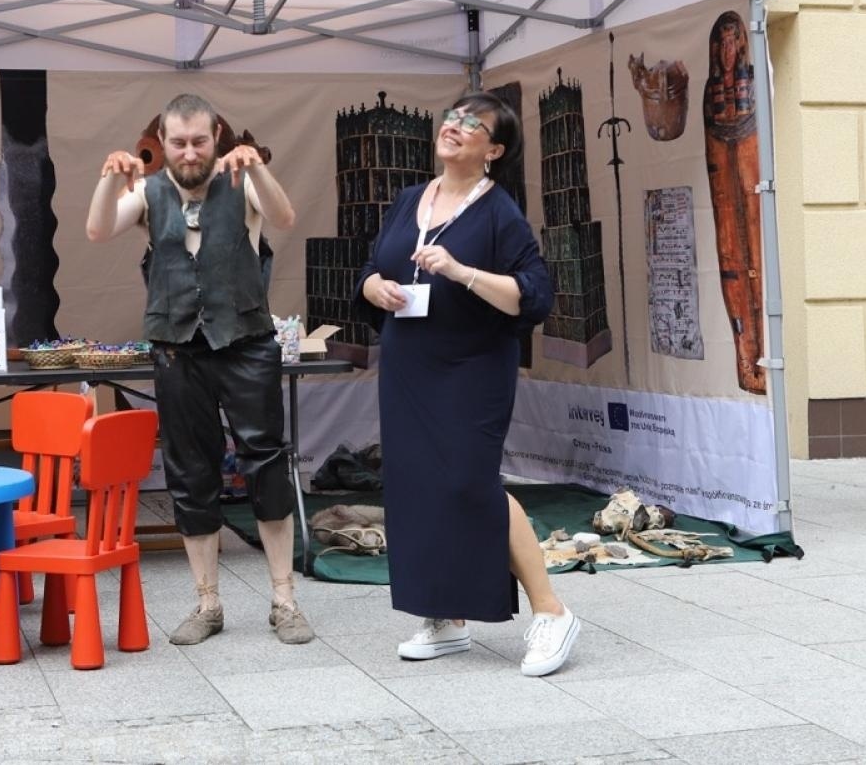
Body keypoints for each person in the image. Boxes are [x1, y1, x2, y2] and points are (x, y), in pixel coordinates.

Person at [355, 90, 578, 677]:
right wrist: (372, 286)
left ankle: (552, 612)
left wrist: (461, 271)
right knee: (416, 485)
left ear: (493, 150)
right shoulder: (411, 199)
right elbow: (375, 265)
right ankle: (445, 617)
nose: (454, 126)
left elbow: (532, 296)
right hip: (410, 365)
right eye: (452, 116)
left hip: (472, 367)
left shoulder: (499, 212)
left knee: (468, 483)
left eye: (472, 124)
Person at [86, 93, 313, 645]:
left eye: (200, 141)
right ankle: (207, 602)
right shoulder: (149, 191)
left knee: (266, 465)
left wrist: (255, 161)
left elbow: (284, 217)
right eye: (178, 143)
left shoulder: (244, 179)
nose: (190, 153)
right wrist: (107, 179)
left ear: (217, 137)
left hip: (246, 342)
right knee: (191, 472)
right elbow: (96, 230)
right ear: (162, 144)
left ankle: (284, 599)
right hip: (177, 347)